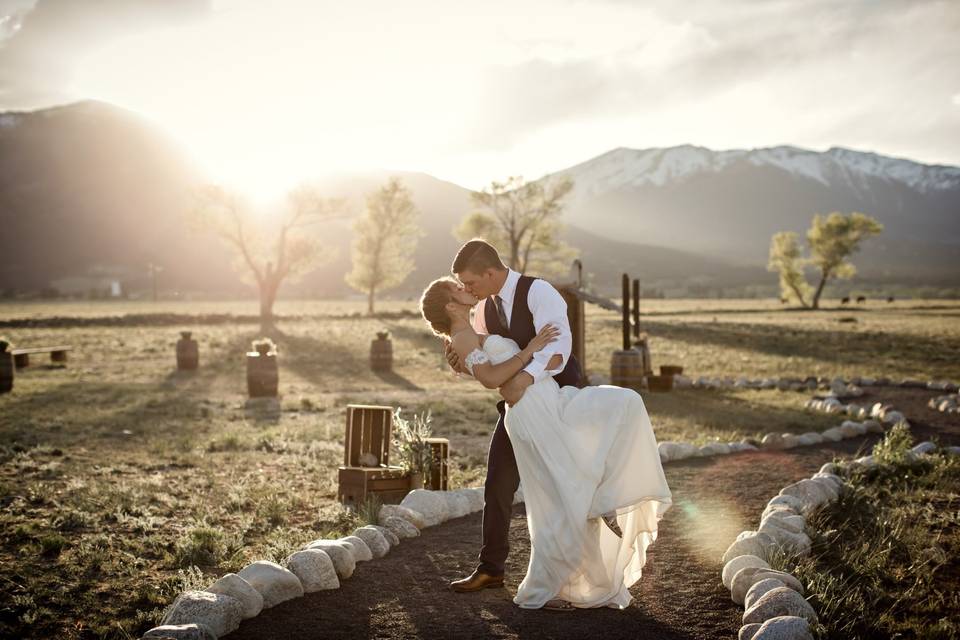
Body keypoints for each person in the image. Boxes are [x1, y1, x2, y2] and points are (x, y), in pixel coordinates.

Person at [420, 240, 672, 610]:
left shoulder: (539, 292)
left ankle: (580, 554)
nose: (468, 289)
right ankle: (492, 568)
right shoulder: (481, 310)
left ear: (490, 273)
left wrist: (526, 376)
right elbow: (477, 358)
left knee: (570, 482)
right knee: (499, 482)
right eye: (462, 287)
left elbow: (559, 348)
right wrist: (461, 365)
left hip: (558, 396)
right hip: (519, 409)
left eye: (470, 282)